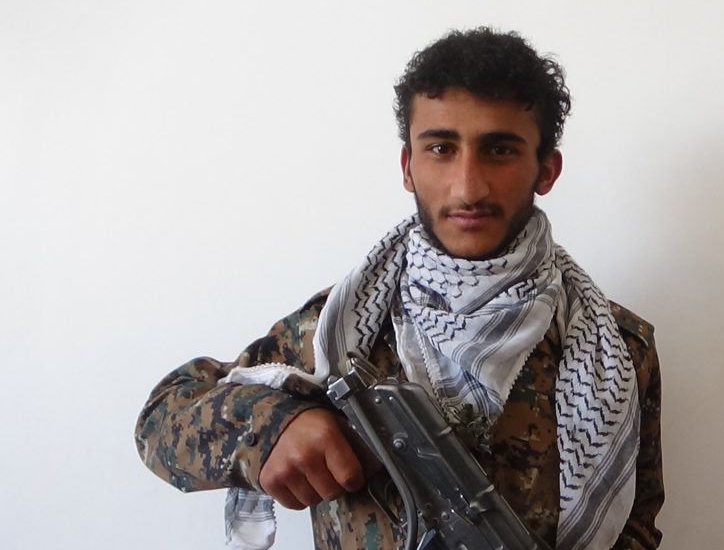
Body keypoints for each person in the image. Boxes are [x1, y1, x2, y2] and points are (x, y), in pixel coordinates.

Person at [135, 27, 663, 550]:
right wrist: (271, 427)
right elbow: (161, 417)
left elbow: (636, 525)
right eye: (441, 148)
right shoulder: (339, 328)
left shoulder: (617, 350)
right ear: (409, 167)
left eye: (499, 150)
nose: (468, 187)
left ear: (546, 170)